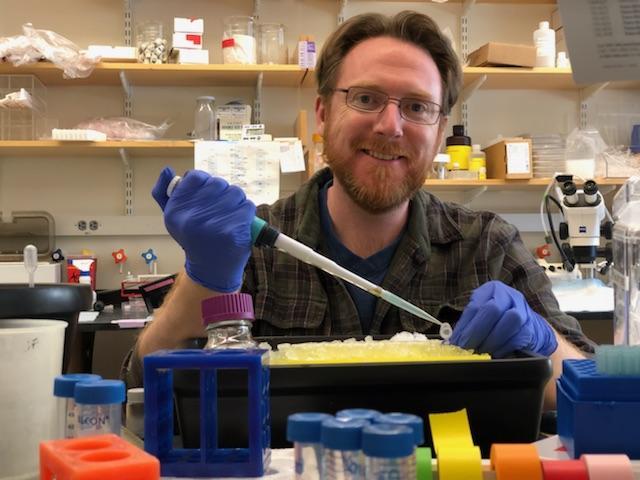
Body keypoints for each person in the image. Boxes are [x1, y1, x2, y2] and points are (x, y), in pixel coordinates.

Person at [123, 10, 594, 408]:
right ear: (325, 112)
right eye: (366, 98)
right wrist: (202, 282)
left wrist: (542, 344)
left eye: (416, 106)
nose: (391, 126)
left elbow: (590, 392)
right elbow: (142, 390)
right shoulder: (251, 244)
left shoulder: (486, 246)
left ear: (439, 127)